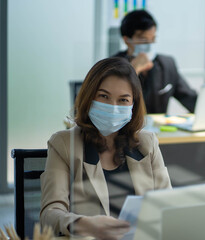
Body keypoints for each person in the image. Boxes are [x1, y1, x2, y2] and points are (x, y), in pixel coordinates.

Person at [40, 57, 172, 240]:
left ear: (133, 105)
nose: (113, 107)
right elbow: (50, 213)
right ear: (89, 96)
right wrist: (82, 224)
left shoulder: (147, 143)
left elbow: (169, 204)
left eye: (123, 100)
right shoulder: (64, 143)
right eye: (104, 96)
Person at [113, 10, 198, 114]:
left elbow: (191, 100)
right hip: (127, 128)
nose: (150, 45)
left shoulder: (167, 64)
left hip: (158, 129)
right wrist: (134, 68)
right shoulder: (112, 66)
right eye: (143, 40)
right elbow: (114, 99)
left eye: (152, 39)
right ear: (127, 40)